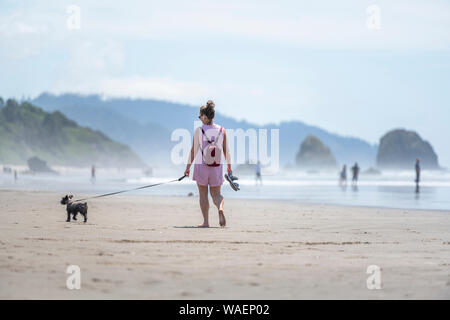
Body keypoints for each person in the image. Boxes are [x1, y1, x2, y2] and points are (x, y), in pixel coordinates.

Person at [184, 100, 232, 228]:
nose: (200, 119)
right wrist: (229, 167)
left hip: (201, 166)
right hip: (217, 167)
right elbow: (226, 151)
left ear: (205, 117)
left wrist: (187, 168)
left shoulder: (199, 131)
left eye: (200, 116)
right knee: (216, 195)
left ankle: (206, 222)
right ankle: (220, 208)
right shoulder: (222, 130)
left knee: (203, 195)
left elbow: (193, 151)